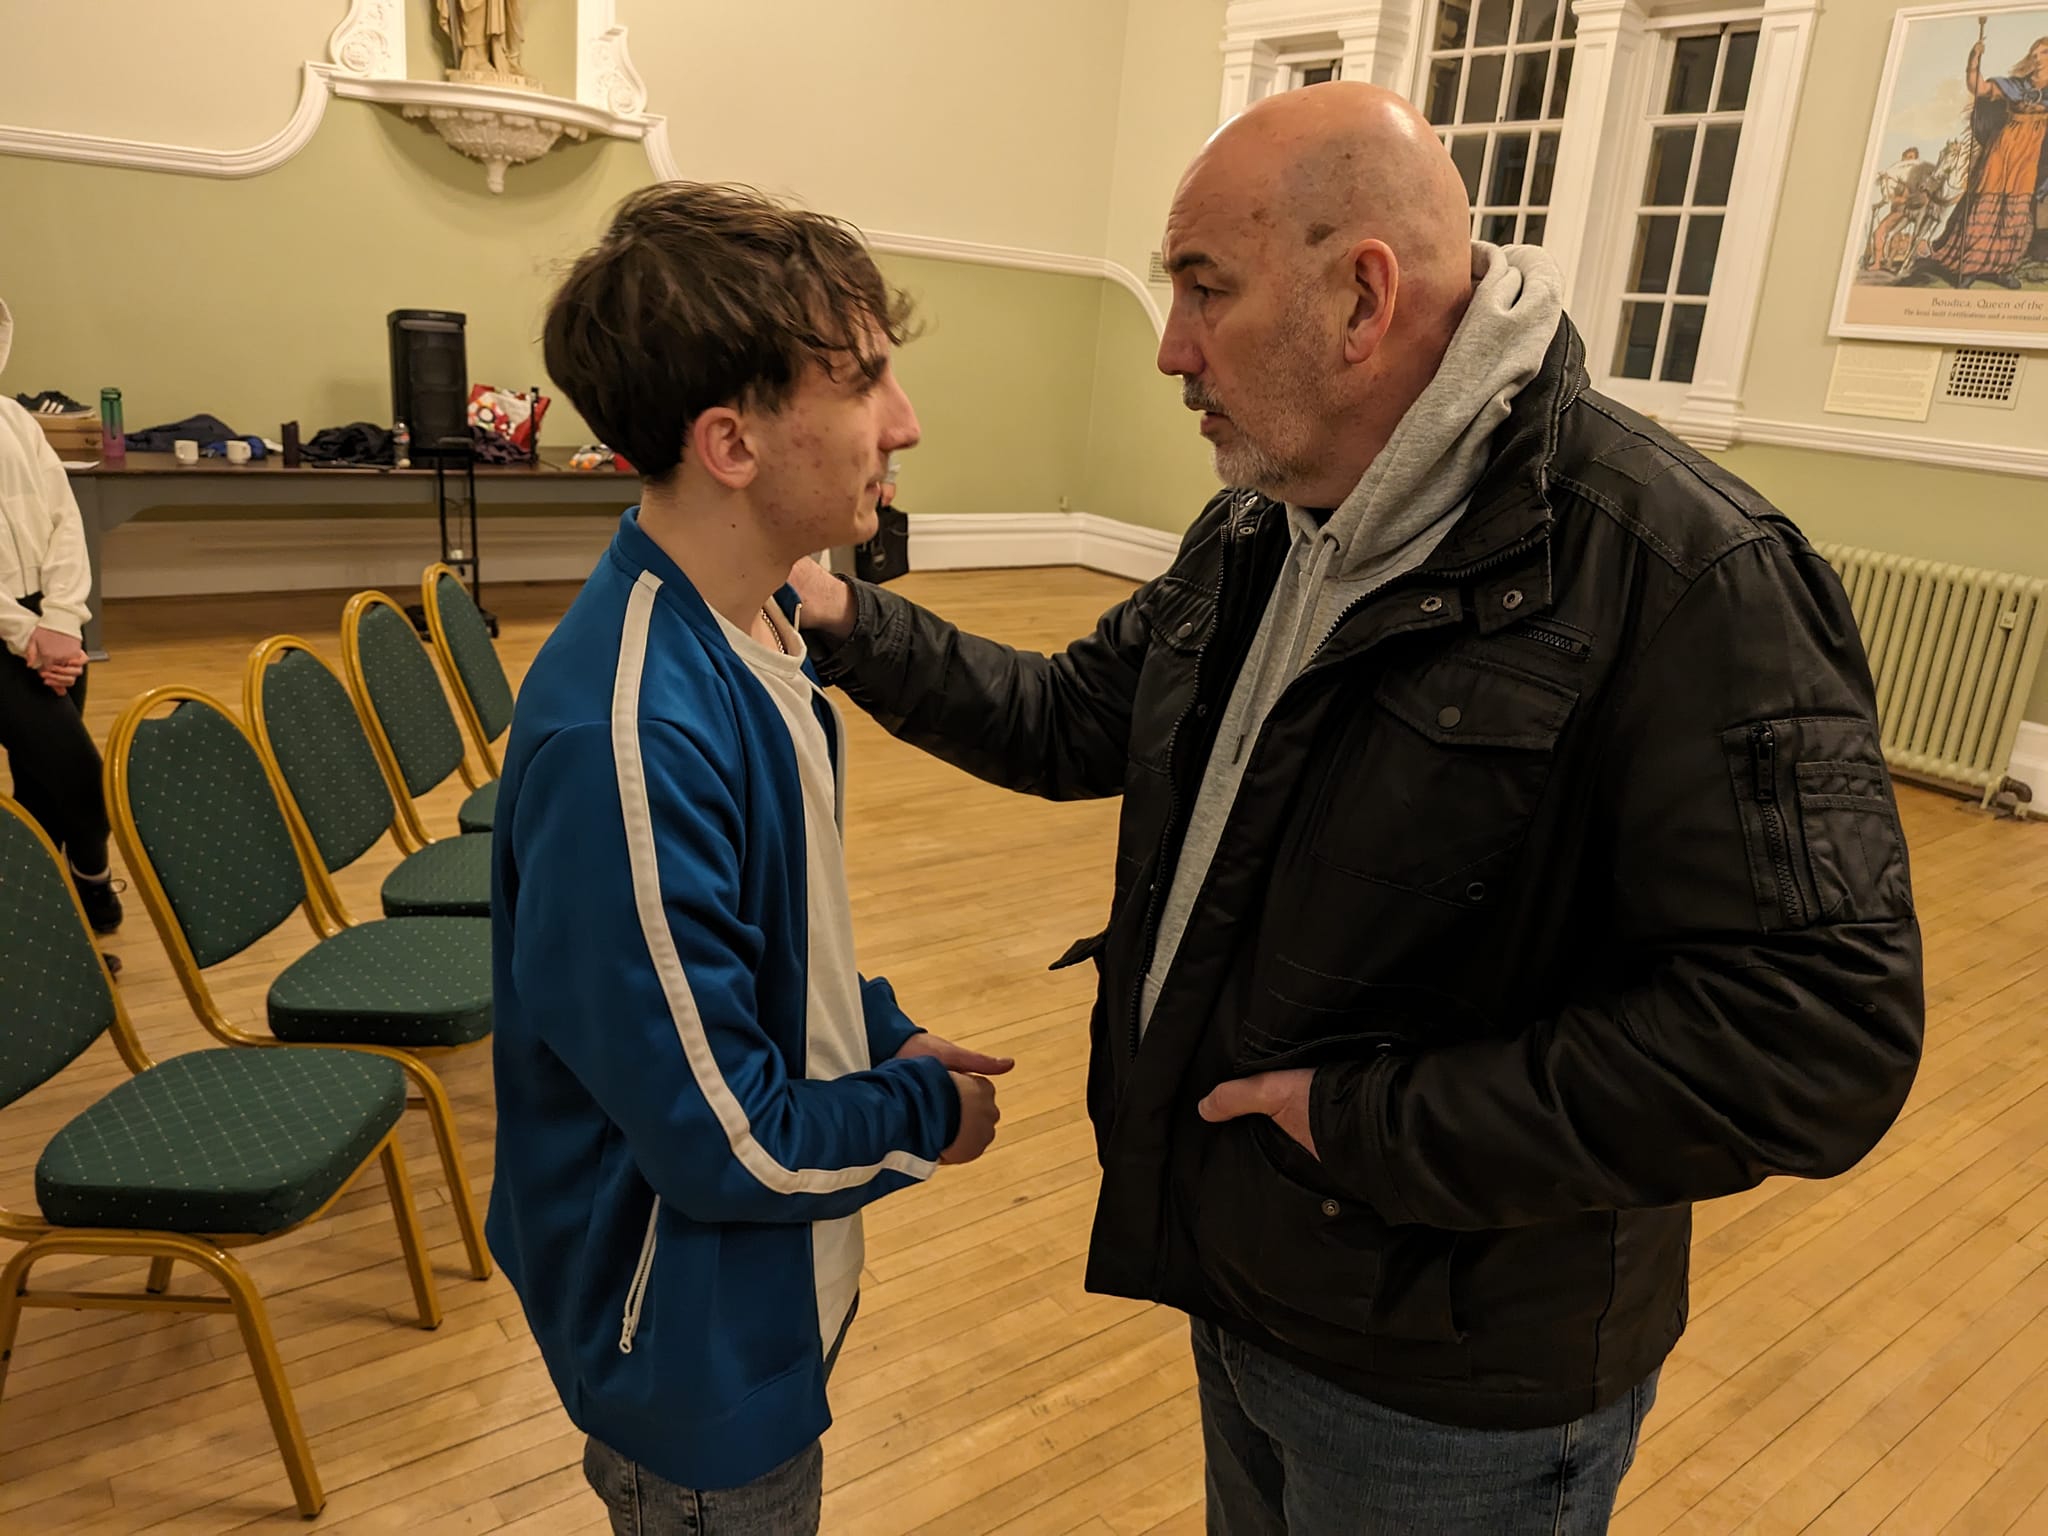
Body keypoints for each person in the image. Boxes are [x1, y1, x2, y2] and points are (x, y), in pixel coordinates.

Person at [791, 82, 1924, 1533]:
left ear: (1362, 298)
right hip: (1255, 1279)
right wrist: (837, 613)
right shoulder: (1268, 520)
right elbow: (1081, 718)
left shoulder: (1686, 572)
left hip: (1454, 1393)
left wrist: (1366, 1124)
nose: (1169, 349)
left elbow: (1816, 1037)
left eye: (1205, 290)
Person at [486, 183, 1009, 1535]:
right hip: (691, 1351)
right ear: (731, 442)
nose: (905, 423)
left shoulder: (765, 631)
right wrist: (922, 1118)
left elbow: (762, 959)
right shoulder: (631, 736)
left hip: (757, 1294)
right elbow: (731, 1147)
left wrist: (877, 1032)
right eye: (867, 382)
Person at [0, 295, 122, 937]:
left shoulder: (16, 422)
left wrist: (64, 621)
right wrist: (29, 635)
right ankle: (91, 874)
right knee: (75, 771)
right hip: (12, 636)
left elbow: (64, 521)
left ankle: (47, 910)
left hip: (50, 624)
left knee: (42, 782)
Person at [1909, 34, 2048, 289]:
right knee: (1986, 203)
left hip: (2030, 155)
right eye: (2035, 53)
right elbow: (1980, 88)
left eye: (2044, 53)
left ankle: (2000, 268)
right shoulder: (2018, 85)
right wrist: (1974, 61)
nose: (2038, 58)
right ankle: (1968, 267)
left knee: (2016, 210)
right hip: (2004, 148)